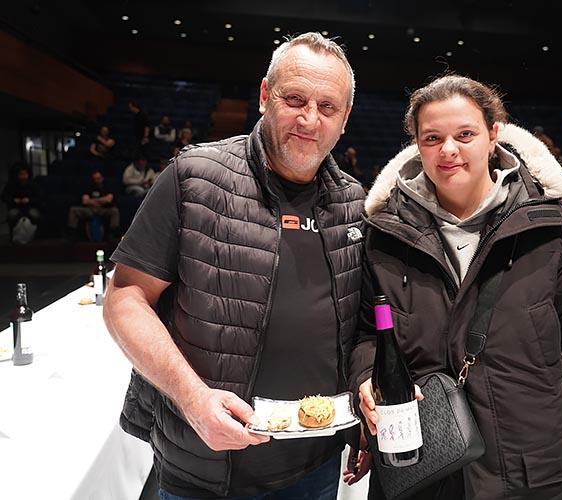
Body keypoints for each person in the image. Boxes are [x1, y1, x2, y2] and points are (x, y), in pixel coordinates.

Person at [103, 32, 366, 499]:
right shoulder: (194, 177)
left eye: (327, 107)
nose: (309, 119)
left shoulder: (354, 202)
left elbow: (358, 326)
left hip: (315, 465)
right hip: (205, 466)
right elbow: (125, 298)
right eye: (295, 99)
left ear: (344, 119)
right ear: (265, 95)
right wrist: (192, 399)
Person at [348, 75, 562, 500]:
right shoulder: (384, 233)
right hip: (422, 472)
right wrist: (366, 378)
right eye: (433, 138)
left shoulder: (556, 229)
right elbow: (367, 334)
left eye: (465, 134)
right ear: (417, 144)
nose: (448, 150)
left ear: (493, 134)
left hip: (529, 478)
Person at [66, 169, 120, 241]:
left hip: (103, 209)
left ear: (102, 178)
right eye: (95, 179)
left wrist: (92, 200)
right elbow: (85, 201)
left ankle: (112, 234)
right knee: (73, 210)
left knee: (115, 211)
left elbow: (108, 200)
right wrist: (102, 200)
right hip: (90, 210)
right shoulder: (88, 187)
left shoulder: (107, 187)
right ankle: (72, 234)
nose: (97, 180)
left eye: (98, 178)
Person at [2, 162, 41, 232]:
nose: (23, 176)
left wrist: (29, 200)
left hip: (31, 207)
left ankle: (35, 233)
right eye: (21, 174)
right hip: (15, 207)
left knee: (35, 215)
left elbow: (40, 197)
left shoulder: (33, 184)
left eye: (25, 174)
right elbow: (4, 197)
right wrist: (14, 200)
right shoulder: (11, 185)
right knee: (12, 215)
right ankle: (14, 233)